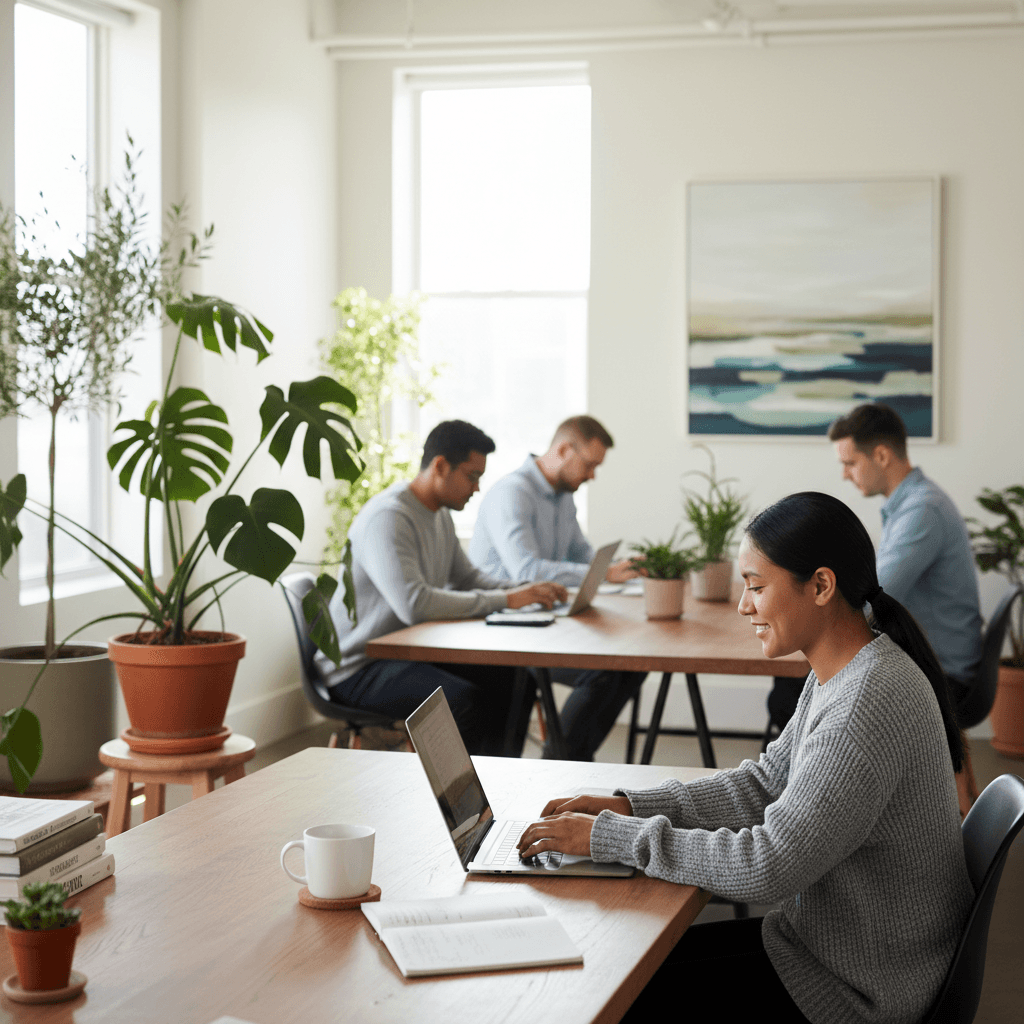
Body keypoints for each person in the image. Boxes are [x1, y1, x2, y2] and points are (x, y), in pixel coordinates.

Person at [518, 492, 973, 1024]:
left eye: (757, 587)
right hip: (828, 957)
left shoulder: (865, 699)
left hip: (850, 994)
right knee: (624, 971)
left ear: (822, 586)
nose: (743, 604)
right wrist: (629, 808)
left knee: (615, 991)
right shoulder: (850, 667)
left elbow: (767, 865)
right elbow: (766, 783)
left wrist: (611, 839)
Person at [317, 420, 567, 757]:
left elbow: (468, 578)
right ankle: (460, 805)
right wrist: (508, 598)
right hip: (358, 666)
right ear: (440, 466)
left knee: (515, 680)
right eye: (472, 476)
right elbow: (414, 604)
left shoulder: (439, 514)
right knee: (461, 702)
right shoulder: (389, 518)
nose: (477, 488)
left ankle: (498, 786)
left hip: (409, 651)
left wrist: (527, 590)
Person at [767, 403, 983, 744]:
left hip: (945, 672)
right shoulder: (912, 503)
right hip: (938, 657)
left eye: (850, 463)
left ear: (881, 455)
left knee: (788, 692)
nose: (844, 474)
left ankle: (814, 785)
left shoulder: (922, 510)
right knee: (793, 683)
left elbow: (872, 595)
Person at [469, 415, 645, 760]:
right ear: (564, 449)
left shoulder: (563, 496)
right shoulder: (512, 493)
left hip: (545, 620)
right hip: (504, 627)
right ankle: (562, 759)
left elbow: (584, 558)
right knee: (605, 672)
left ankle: (570, 756)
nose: (592, 475)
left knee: (631, 662)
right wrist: (603, 574)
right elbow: (528, 570)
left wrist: (616, 570)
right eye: (590, 464)